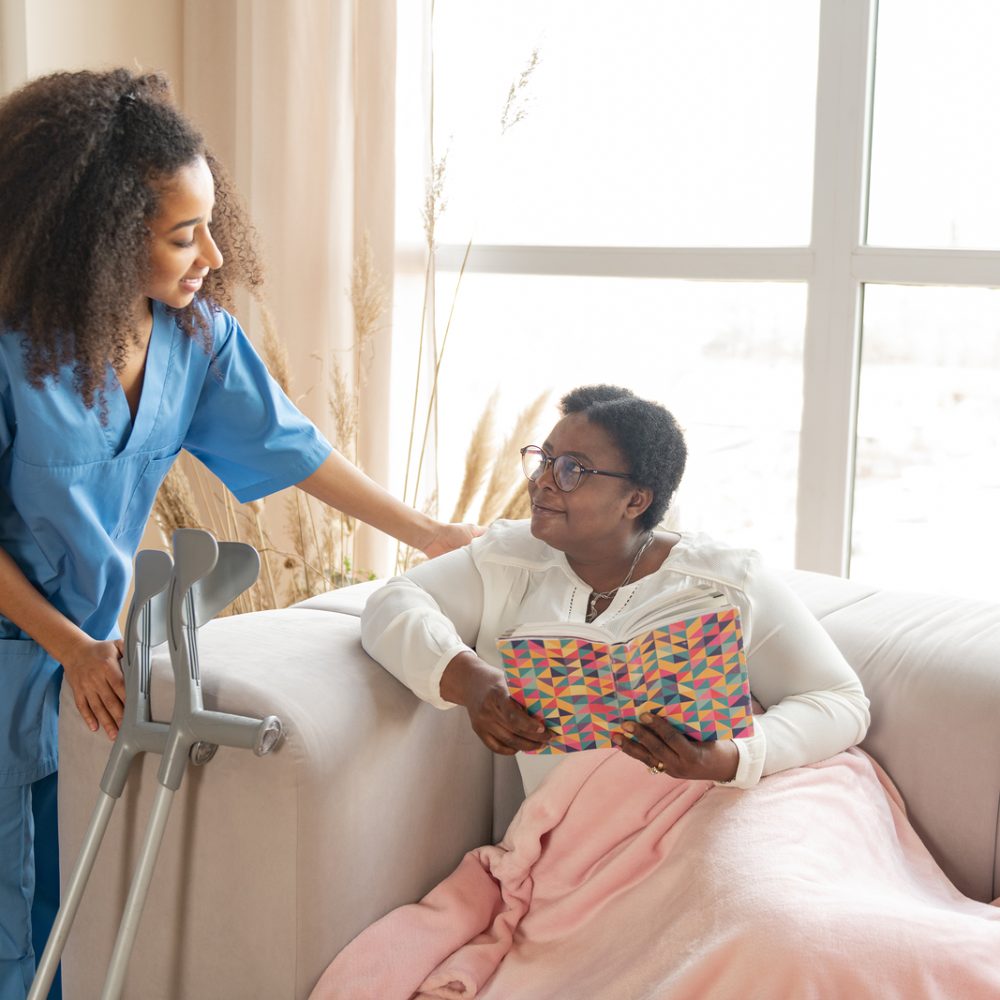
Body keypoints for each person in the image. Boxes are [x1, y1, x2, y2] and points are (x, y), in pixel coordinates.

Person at [0, 68, 475, 1000]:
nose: (212, 253)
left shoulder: (194, 339)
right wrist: (72, 646)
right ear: (95, 239)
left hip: (79, 678)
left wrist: (427, 532)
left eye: (211, 222)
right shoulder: (13, 352)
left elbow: (292, 445)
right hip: (48, 652)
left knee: (65, 917)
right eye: (184, 234)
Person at [310, 385, 1000, 999]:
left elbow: (839, 702)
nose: (544, 481)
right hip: (596, 843)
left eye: (572, 470)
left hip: (757, 799)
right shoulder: (509, 559)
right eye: (542, 459)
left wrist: (732, 757)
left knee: (788, 929)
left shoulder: (720, 580)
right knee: (753, 934)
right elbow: (392, 604)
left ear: (635, 499)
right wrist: (471, 682)